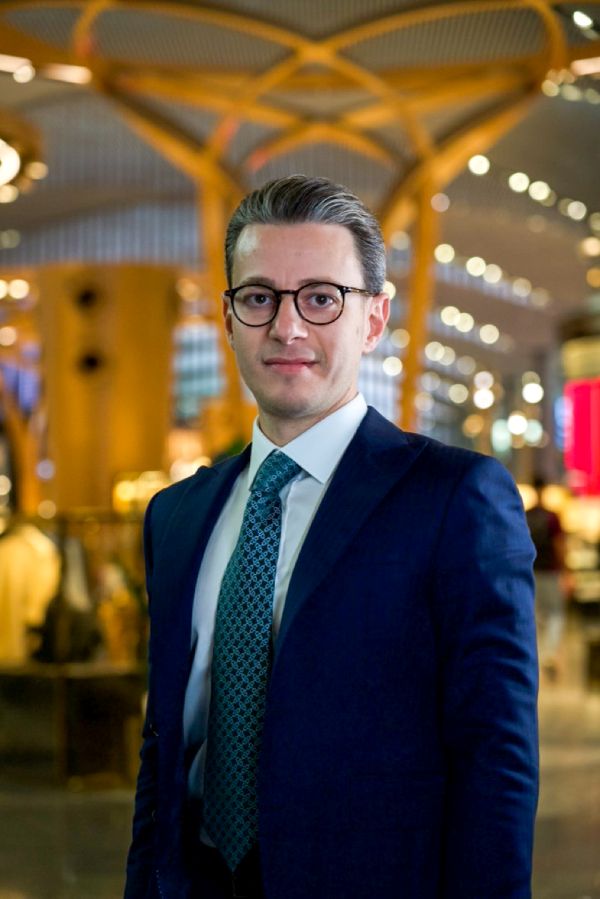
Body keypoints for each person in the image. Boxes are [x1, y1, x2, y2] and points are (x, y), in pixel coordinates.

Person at [125, 175, 539, 899]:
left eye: (321, 298)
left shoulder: (454, 499)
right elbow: (163, 745)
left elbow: (494, 756)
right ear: (228, 317)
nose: (287, 328)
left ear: (374, 319)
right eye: (260, 297)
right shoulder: (177, 516)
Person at [526, 476, 567, 680]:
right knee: (555, 615)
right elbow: (559, 545)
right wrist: (566, 569)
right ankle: (548, 654)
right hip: (550, 571)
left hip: (530, 571)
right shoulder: (552, 517)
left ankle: (536, 654)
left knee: (535, 615)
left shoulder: (526, 515)